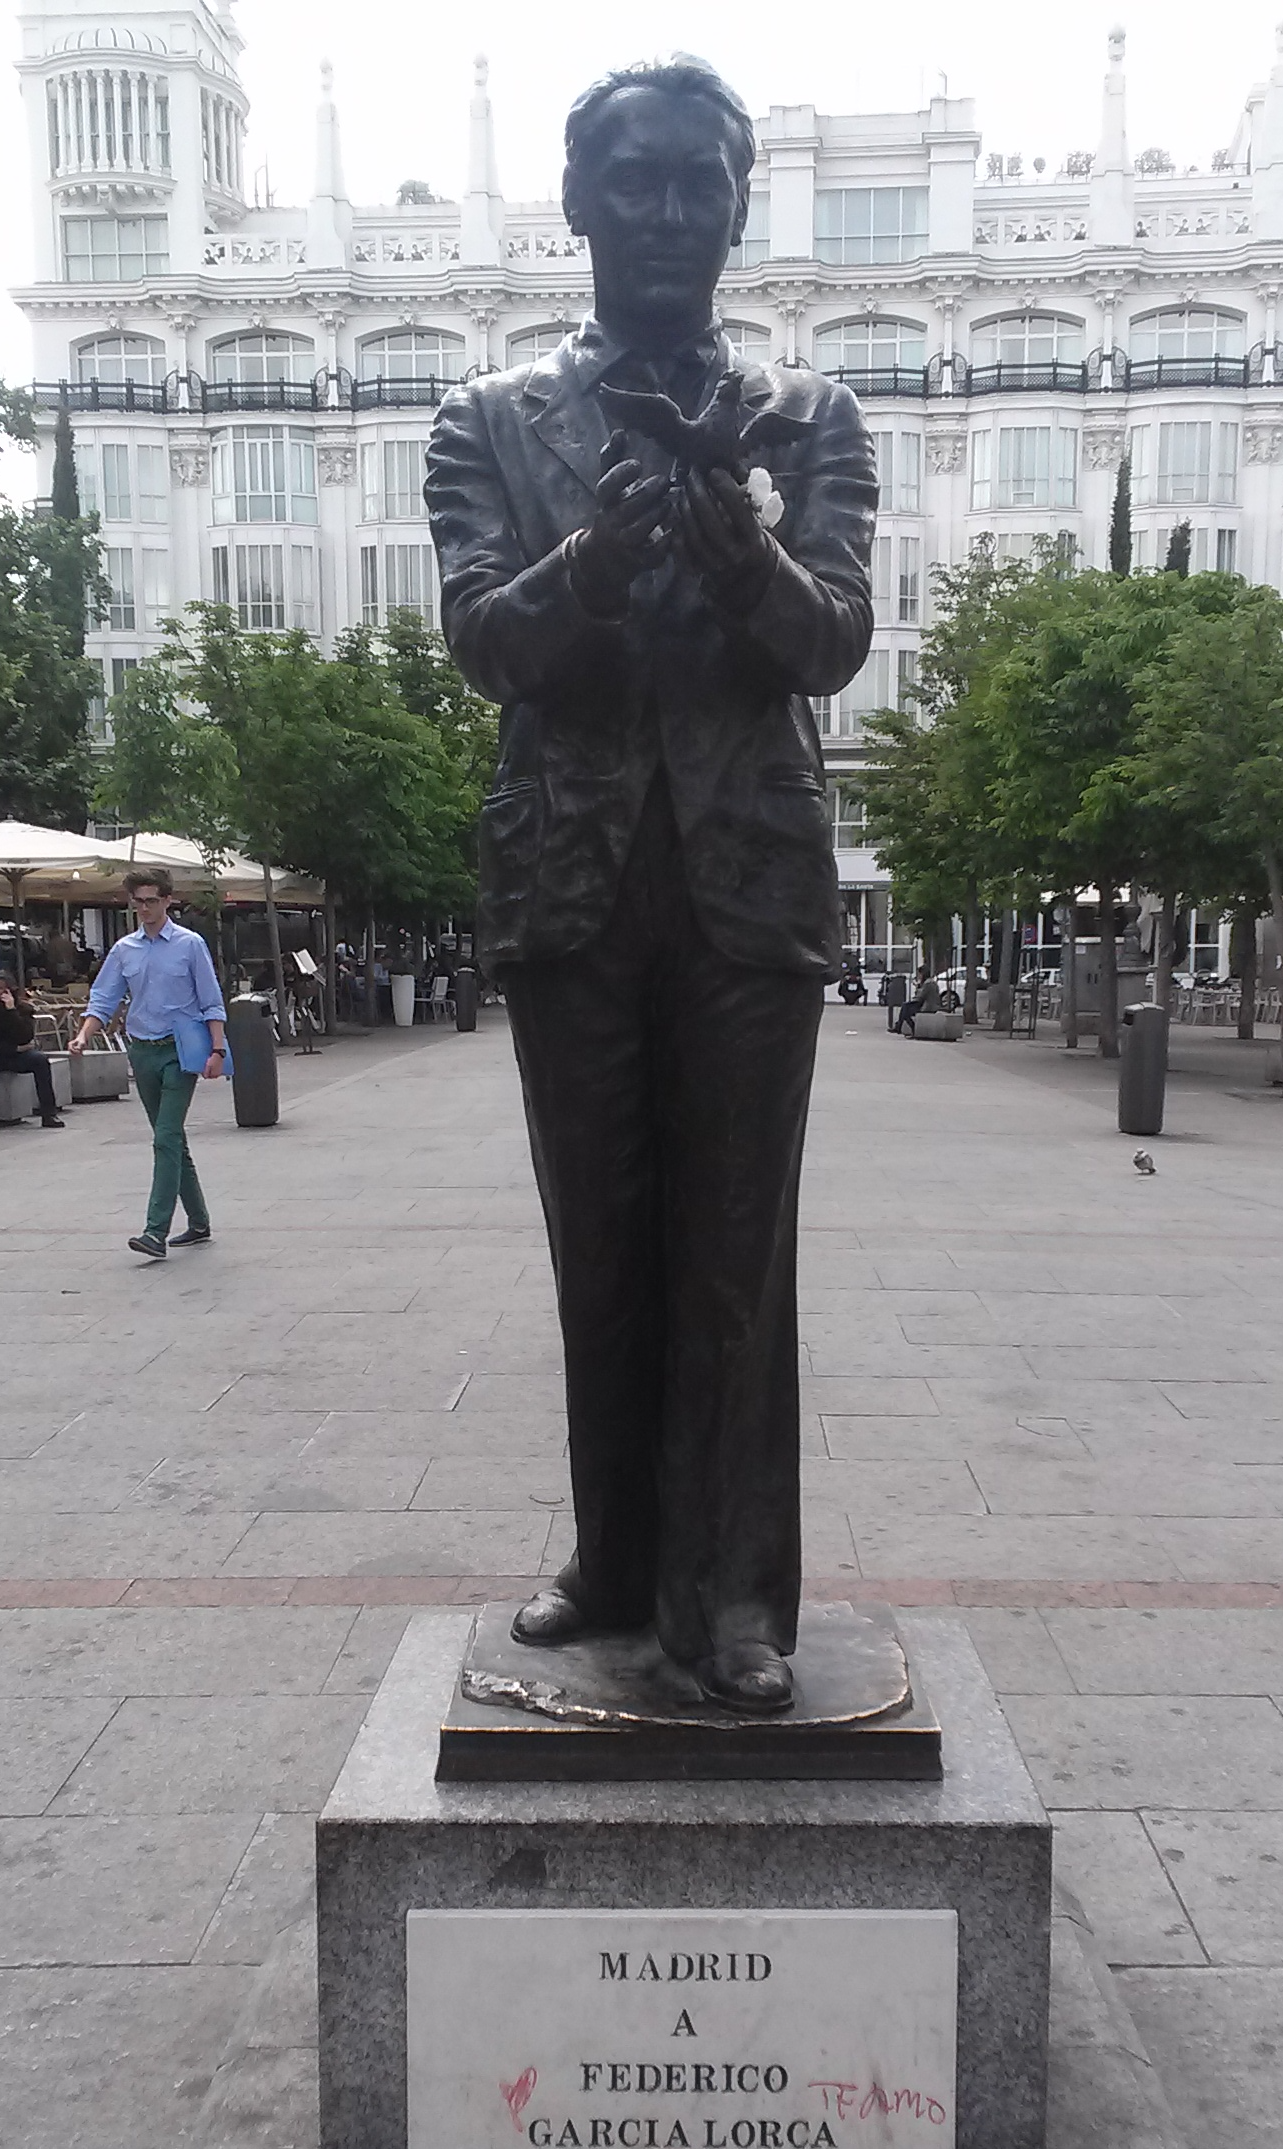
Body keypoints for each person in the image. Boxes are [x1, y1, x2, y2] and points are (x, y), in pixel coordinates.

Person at [427, 57, 875, 1714]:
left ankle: (739, 1597)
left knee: (733, 1252)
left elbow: (826, 641)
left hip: (750, 886)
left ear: (739, 206)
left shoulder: (807, 420)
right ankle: (620, 1558)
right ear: (581, 201)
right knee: (600, 1245)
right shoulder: (485, 423)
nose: (672, 212)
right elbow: (487, 646)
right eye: (640, 179)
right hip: (575, 886)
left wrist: (732, 529)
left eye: (704, 182)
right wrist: (605, 549)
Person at [69, 866, 226, 1261]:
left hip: (180, 1050)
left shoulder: (190, 945)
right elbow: (104, 998)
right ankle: (200, 1220)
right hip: (142, 1050)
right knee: (169, 1138)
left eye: (151, 900)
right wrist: (85, 1034)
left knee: (165, 1137)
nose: (143, 908)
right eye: (137, 901)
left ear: (168, 900)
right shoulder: (125, 950)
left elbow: (211, 1000)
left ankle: (155, 1231)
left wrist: (218, 1050)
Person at [0, 973, 65, 1128]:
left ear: (9, 991)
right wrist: (14, 1048)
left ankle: (48, 1113)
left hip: (15, 1056)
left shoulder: (22, 1008)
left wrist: (11, 1011)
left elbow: (25, 1036)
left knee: (39, 1059)